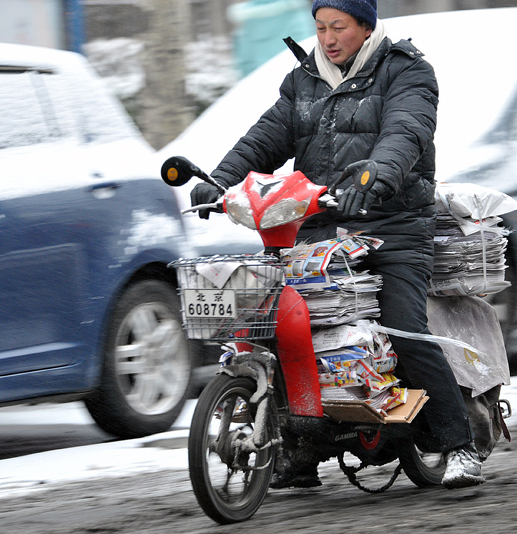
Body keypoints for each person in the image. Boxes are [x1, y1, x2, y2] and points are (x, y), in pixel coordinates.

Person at [190, 0, 484, 489]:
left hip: (393, 225)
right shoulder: (305, 78)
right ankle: (298, 445)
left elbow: (405, 133)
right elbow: (264, 138)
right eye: (320, 27)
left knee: (401, 326)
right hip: (317, 227)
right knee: (275, 321)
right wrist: (219, 181)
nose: (327, 38)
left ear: (365, 26)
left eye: (338, 27)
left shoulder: (407, 71)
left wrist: (378, 175)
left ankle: (460, 445)